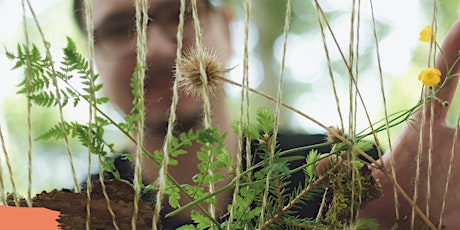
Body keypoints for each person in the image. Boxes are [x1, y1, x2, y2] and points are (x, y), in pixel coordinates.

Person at [74, 0, 460, 229]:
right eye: (122, 29)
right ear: (92, 58)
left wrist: (421, 221)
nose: (154, 47)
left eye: (180, 14)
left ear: (228, 28)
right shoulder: (70, 215)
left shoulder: (352, 178)